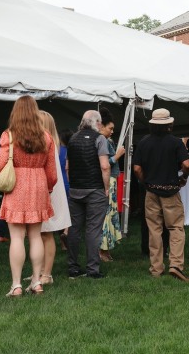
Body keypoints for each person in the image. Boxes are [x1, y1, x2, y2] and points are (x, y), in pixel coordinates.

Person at [0, 96, 57, 296]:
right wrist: (46, 187)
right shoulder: (46, 137)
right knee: (36, 236)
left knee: (16, 237)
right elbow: (52, 174)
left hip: (17, 186)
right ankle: (37, 281)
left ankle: (16, 285)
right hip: (39, 185)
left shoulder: (9, 135)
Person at [133, 108, 189, 280]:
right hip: (171, 191)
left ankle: (156, 269)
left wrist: (145, 181)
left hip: (151, 192)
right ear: (169, 124)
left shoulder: (143, 142)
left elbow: (136, 168)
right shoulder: (175, 142)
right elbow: (187, 164)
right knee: (176, 228)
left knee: (154, 230)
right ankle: (175, 265)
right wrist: (184, 177)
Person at [65, 110, 110, 280]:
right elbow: (105, 166)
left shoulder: (72, 139)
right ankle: (92, 269)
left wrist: (72, 184)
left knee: (74, 229)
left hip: (75, 190)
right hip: (95, 189)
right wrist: (106, 188)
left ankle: (73, 267)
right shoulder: (100, 139)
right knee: (93, 230)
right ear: (97, 123)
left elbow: (67, 167)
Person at [37, 110, 71, 286]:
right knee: (40, 234)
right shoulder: (51, 143)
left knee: (47, 233)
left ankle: (47, 274)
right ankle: (41, 271)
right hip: (46, 190)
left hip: (50, 192)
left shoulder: (49, 143)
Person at [98, 110, 125, 262]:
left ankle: (106, 248)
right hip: (108, 181)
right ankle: (102, 250)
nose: (112, 131)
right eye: (110, 128)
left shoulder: (107, 141)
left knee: (111, 214)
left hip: (112, 180)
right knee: (107, 215)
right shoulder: (102, 141)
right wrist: (118, 155)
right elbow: (105, 164)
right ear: (102, 126)